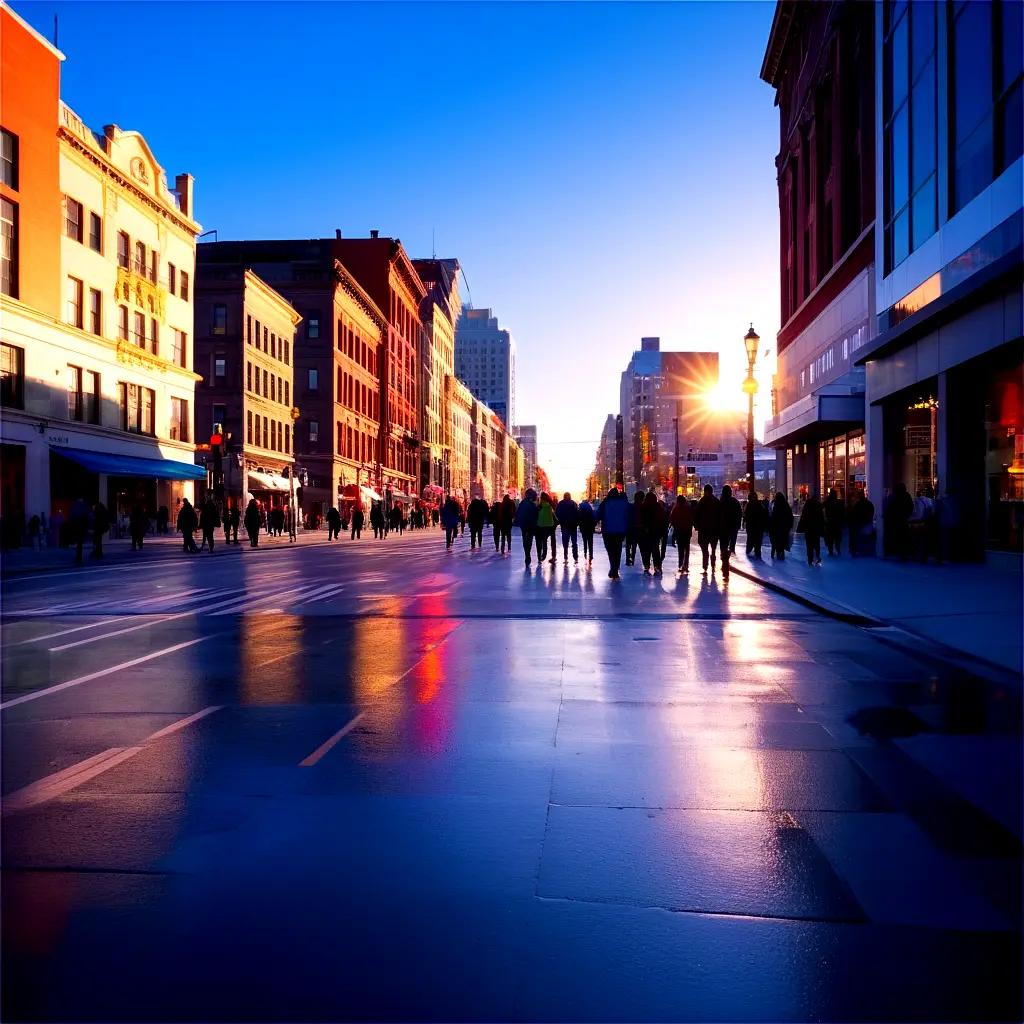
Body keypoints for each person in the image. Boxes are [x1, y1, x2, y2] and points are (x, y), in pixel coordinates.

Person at [596, 488, 629, 579]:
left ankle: (613, 568)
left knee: (610, 550)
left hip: (608, 530)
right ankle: (615, 568)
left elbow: (597, 515)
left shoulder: (605, 503)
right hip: (620, 531)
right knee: (618, 549)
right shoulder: (623, 503)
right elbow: (627, 515)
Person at [694, 484, 720, 574]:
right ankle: (712, 562)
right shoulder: (717, 501)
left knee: (704, 549)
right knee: (713, 548)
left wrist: (696, 525)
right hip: (714, 529)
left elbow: (696, 514)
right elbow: (720, 516)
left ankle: (705, 566)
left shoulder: (702, 501)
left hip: (704, 529)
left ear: (705, 491)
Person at [638, 491, 666, 575]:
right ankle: (657, 567)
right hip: (656, 531)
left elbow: (640, 519)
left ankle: (646, 567)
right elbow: (662, 519)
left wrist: (643, 528)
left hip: (646, 532)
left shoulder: (643, 506)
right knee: (656, 549)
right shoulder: (658, 506)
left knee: (646, 551)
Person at [883, 483, 913, 559]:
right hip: (903, 520)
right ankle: (903, 554)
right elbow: (910, 507)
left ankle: (895, 552)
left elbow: (888, 508)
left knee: (896, 537)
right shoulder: (907, 496)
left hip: (895, 520)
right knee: (904, 537)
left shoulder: (893, 496)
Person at [718, 485, 742, 575]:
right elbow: (739, 514)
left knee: (723, 546)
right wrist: (738, 525)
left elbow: (717, 515)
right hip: (732, 527)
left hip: (723, 528)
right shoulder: (735, 502)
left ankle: (725, 562)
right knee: (731, 546)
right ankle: (726, 561)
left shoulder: (721, 502)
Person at [798, 491, 825, 566]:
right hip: (816, 528)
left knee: (809, 545)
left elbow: (804, 516)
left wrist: (801, 527)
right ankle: (817, 557)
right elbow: (821, 518)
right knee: (816, 543)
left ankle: (810, 559)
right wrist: (822, 528)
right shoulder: (818, 505)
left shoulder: (807, 504)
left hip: (808, 528)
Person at [514, 489, 539, 566]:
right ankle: (528, 554)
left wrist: (518, 522)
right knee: (530, 539)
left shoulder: (522, 503)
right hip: (531, 525)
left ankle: (527, 555)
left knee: (525, 538)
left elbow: (518, 513)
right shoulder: (532, 504)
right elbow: (536, 514)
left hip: (524, 524)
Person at [669, 494, 694, 573]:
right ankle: (686, 565)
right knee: (687, 548)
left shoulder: (676, 508)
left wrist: (675, 526)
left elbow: (672, 519)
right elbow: (692, 518)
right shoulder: (688, 508)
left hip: (679, 531)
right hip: (687, 531)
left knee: (680, 549)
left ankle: (680, 564)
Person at [849, 490, 875, 557]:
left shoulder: (857, 504)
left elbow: (853, 513)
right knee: (867, 537)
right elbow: (872, 511)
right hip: (867, 522)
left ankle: (858, 550)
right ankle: (867, 551)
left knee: (858, 536)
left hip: (859, 523)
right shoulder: (869, 504)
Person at [556, 492, 580, 564]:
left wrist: (560, 522)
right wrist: (577, 523)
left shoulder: (560, 504)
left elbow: (557, 514)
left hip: (565, 526)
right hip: (573, 526)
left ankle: (565, 557)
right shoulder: (574, 504)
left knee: (565, 542)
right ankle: (575, 558)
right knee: (574, 542)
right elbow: (578, 514)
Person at [769, 492, 794, 560]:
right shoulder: (786, 505)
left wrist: (771, 526)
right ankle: (781, 553)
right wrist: (790, 526)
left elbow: (774, 517)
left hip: (777, 527)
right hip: (784, 528)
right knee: (782, 541)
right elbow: (790, 516)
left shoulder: (776, 505)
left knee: (776, 541)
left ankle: (776, 553)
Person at [743, 490, 767, 558]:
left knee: (750, 540)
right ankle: (757, 554)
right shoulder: (760, 505)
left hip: (751, 527)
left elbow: (746, 516)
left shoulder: (748, 505)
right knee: (758, 543)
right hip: (758, 527)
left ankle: (749, 552)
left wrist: (745, 523)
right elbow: (764, 515)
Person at [536, 492, 558, 564]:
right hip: (550, 525)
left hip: (541, 525)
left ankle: (542, 555)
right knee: (552, 541)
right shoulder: (550, 505)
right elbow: (555, 512)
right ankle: (553, 556)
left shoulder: (539, 505)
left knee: (543, 541)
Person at [823, 488, 846, 556]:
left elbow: (822, 509)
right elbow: (843, 513)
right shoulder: (840, 503)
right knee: (837, 537)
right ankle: (838, 549)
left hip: (830, 522)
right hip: (838, 523)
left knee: (830, 538)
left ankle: (831, 551)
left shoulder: (827, 502)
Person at [69, 497, 91, 565]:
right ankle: (79, 557)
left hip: (77, 527)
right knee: (80, 543)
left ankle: (78, 557)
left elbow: (71, 517)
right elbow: (87, 518)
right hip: (81, 528)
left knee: (78, 543)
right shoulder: (84, 507)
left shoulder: (75, 507)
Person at [625, 493, 643, 566]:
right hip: (636, 528)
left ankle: (628, 558)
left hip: (629, 527)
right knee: (634, 544)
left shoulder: (630, 506)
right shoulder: (642, 507)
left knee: (628, 544)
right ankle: (632, 558)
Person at [578, 498, 596, 564]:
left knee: (584, 540)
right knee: (590, 541)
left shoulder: (581, 509)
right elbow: (594, 518)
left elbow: (579, 518)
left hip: (583, 528)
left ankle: (585, 552)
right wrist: (594, 526)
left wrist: (579, 525)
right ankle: (591, 555)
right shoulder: (590, 509)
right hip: (590, 528)